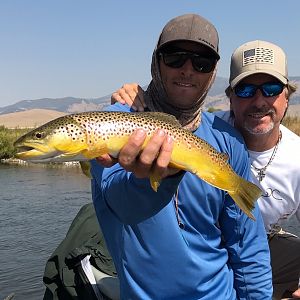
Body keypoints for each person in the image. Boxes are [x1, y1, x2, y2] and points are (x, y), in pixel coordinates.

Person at [91, 14, 272, 299]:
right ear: (156, 61)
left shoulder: (229, 142)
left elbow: (247, 245)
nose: (188, 70)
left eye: (202, 62)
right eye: (175, 57)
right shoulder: (112, 126)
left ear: (213, 72)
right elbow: (121, 205)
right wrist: (163, 176)